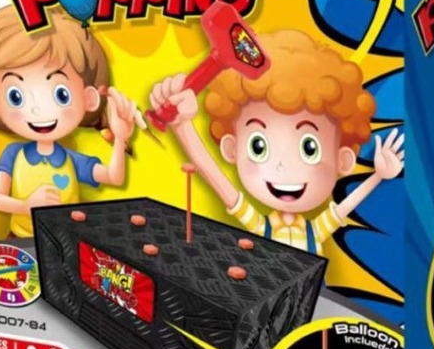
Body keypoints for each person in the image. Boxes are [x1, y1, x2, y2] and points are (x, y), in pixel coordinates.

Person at [151, 30, 403, 255]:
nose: (283, 166)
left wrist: (378, 176)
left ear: (343, 160)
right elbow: (212, 173)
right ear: (231, 149)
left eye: (309, 149)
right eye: (258, 147)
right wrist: (182, 126)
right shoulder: (260, 226)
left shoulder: (315, 231)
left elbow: (344, 207)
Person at [0, 7, 140, 238]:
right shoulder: (14, 154)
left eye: (61, 94)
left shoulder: (71, 160)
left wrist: (120, 138)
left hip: (65, 241)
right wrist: (26, 206)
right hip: (22, 239)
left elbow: (114, 177)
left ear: (88, 98)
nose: (38, 109)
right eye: (16, 96)